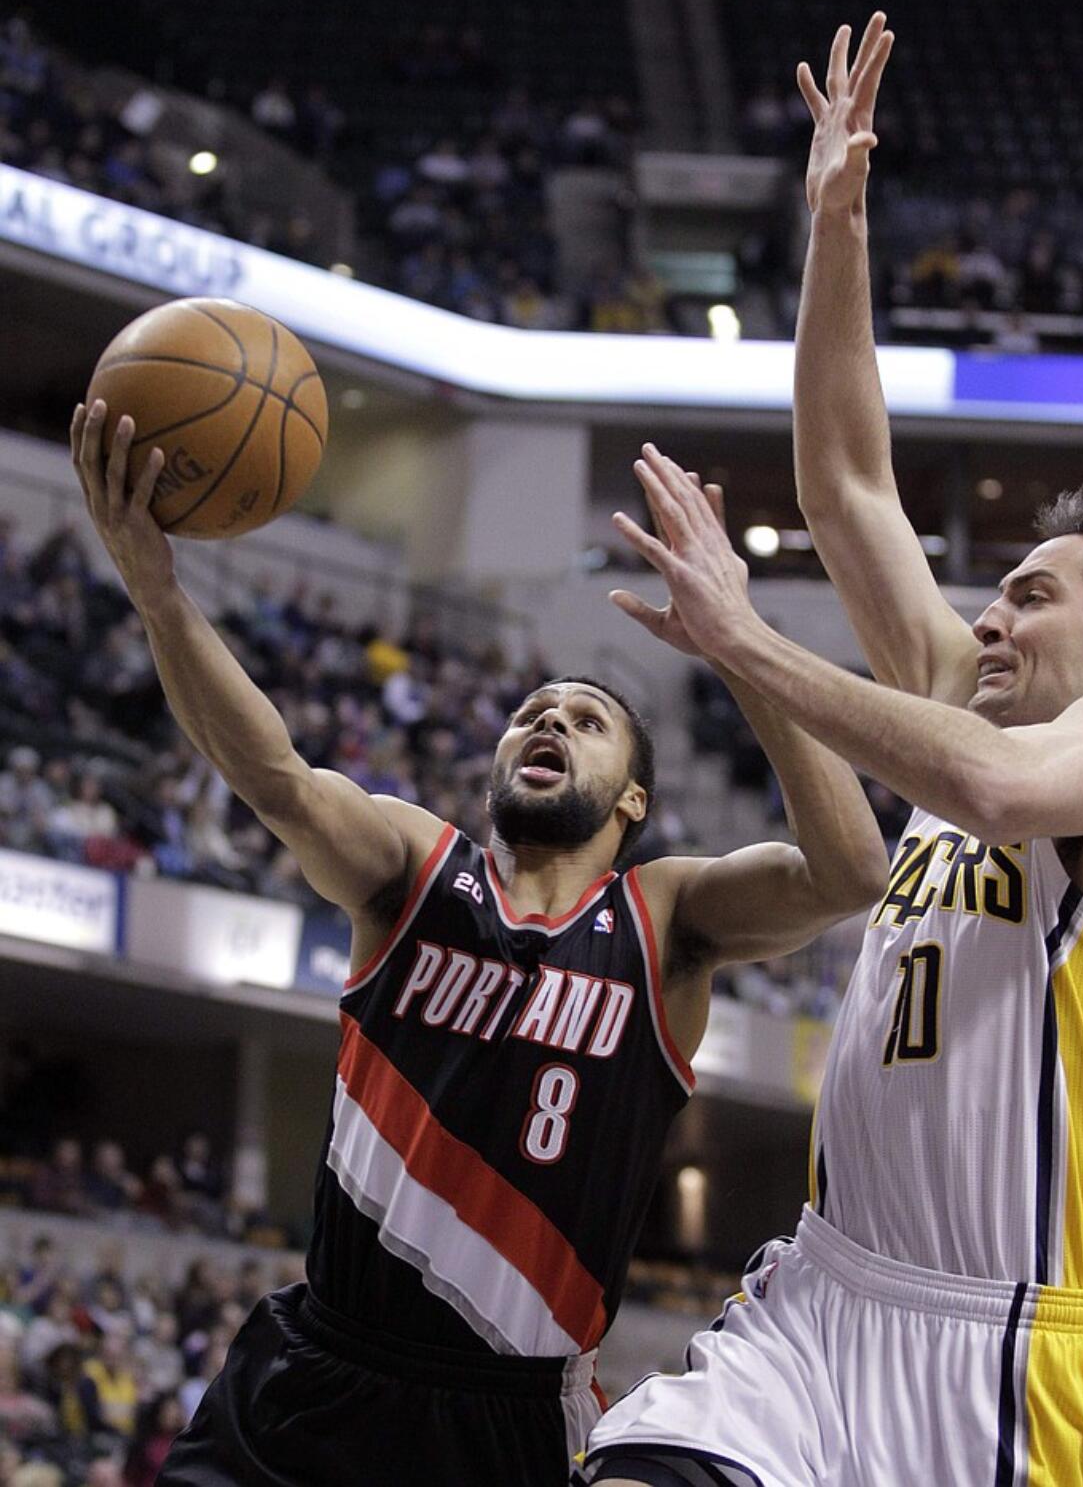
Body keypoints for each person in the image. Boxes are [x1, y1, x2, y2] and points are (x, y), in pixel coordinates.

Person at [581, 15, 1083, 1487]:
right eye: (988, 593)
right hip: (817, 1294)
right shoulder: (960, 689)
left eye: (1029, 595)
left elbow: (992, 793)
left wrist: (745, 644)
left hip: (988, 1350)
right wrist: (834, 224)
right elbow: (844, 475)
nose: (983, 617)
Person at [68, 401, 886, 1486]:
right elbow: (275, 776)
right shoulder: (417, 867)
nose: (548, 720)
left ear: (633, 797)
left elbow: (849, 874)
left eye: (585, 720)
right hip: (312, 1369)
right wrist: (158, 591)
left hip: (500, 1415)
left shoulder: (661, 919)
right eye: (531, 711)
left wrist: (741, 647)